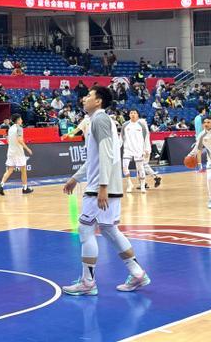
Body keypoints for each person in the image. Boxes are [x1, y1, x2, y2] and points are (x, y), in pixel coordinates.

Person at [62, 86, 149, 296]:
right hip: (109, 185)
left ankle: (87, 282)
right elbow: (95, 159)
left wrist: (102, 187)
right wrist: (75, 178)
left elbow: (107, 153)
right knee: (110, 229)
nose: (84, 99)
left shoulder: (100, 119)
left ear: (98, 101)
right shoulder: (100, 121)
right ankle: (137, 273)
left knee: (85, 230)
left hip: (100, 188)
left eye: (89, 96)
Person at [0, 114, 33, 196]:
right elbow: (20, 140)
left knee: (10, 170)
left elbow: (8, 140)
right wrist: (27, 149)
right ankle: (25, 188)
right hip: (18, 152)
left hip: (10, 151)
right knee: (23, 170)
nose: (22, 120)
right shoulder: (19, 128)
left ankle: (1, 185)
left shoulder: (10, 128)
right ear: (18, 120)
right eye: (21, 119)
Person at [121, 109, 151, 194]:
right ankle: (129, 184)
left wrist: (146, 149)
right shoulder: (125, 125)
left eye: (134, 113)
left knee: (140, 168)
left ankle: (142, 186)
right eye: (131, 113)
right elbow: (121, 138)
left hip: (139, 150)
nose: (133, 114)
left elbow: (146, 138)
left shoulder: (141, 125)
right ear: (129, 115)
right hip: (127, 150)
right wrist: (117, 147)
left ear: (138, 115)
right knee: (124, 167)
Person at [193, 106, 207, 172]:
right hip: (203, 136)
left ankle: (200, 168)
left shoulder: (196, 117)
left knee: (199, 152)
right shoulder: (203, 117)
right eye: (205, 110)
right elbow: (204, 127)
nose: (205, 111)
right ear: (203, 110)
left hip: (197, 136)